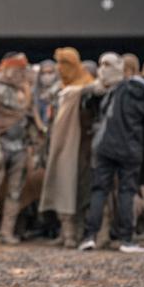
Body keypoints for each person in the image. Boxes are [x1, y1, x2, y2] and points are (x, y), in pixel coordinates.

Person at [78, 53, 144, 253]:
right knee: (126, 192)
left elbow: (97, 113)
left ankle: (89, 236)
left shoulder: (112, 91)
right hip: (130, 148)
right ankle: (127, 240)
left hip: (104, 146)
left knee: (99, 190)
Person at [39, 47, 95, 247]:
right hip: (60, 145)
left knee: (78, 189)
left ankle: (76, 233)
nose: (61, 69)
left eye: (66, 64)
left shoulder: (85, 86)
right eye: (59, 64)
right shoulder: (60, 88)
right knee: (61, 186)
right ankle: (66, 232)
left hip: (81, 148)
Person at [0, 52, 37, 244]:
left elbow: (30, 116)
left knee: (15, 191)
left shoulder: (26, 90)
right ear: (7, 68)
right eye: (16, 69)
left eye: (22, 70)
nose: (20, 74)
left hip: (20, 146)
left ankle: (6, 232)